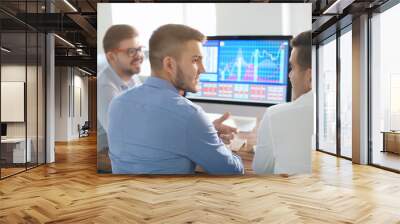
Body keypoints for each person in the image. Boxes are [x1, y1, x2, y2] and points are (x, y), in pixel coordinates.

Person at [108, 24, 244, 175]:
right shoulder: (190, 116)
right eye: (195, 60)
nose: (203, 69)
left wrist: (205, 133)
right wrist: (221, 146)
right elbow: (233, 172)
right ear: (169, 64)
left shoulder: (117, 103)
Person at [252, 31, 313, 175]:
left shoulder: (275, 115)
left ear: (309, 75)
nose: (289, 75)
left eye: (293, 68)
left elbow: (261, 170)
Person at [97, 24, 144, 171]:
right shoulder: (105, 87)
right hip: (106, 153)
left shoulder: (130, 76)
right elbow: (124, 136)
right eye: (131, 51)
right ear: (111, 56)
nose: (139, 56)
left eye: (139, 49)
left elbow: (147, 111)